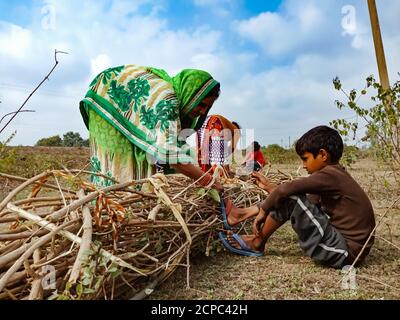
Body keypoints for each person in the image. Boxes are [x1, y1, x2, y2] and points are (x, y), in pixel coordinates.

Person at [219, 125, 375, 268]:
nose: (304, 165)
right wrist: (269, 188)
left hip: (344, 253)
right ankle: (245, 218)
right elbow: (307, 205)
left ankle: (256, 241)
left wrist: (264, 210)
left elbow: (289, 193)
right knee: (291, 197)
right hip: (341, 246)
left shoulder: (330, 176)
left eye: (305, 159)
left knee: (291, 196)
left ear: (322, 155)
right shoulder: (333, 175)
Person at [79, 64, 223, 191]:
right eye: (202, 104)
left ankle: (128, 202)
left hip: (112, 101)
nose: (203, 112)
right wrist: (209, 181)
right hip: (107, 103)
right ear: (191, 95)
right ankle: (116, 203)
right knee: (123, 160)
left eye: (208, 107)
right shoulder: (167, 98)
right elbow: (171, 155)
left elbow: (175, 149)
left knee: (148, 157)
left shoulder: (178, 104)